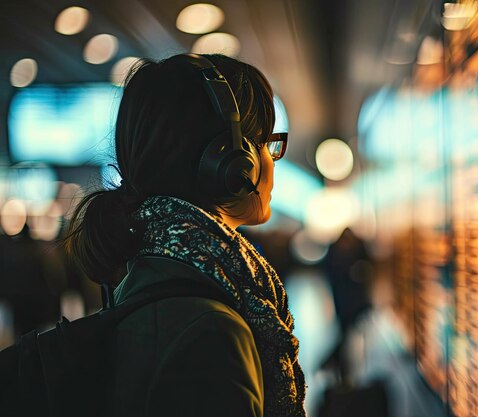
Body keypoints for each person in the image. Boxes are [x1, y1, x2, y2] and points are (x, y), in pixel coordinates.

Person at [63, 53, 306, 417]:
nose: (272, 162)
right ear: (235, 162)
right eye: (266, 143)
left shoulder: (146, 275)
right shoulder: (209, 332)